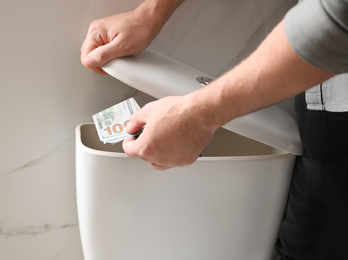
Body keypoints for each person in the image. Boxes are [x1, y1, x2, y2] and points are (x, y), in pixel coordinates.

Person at [81, 0, 348, 259]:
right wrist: (150, 12)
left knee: (311, 246)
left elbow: (334, 24)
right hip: (326, 79)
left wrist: (201, 114)